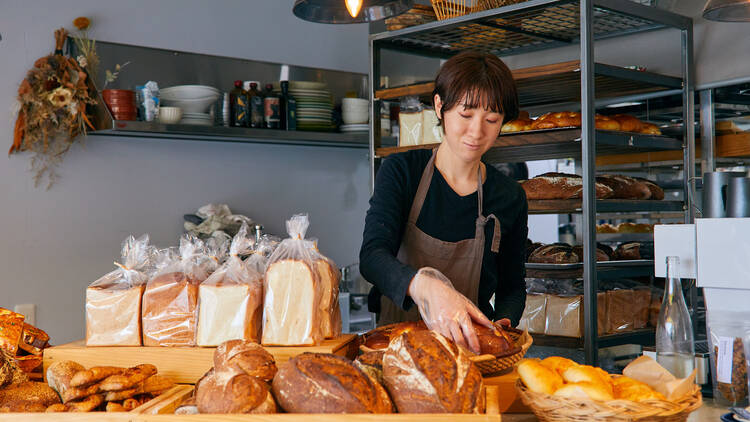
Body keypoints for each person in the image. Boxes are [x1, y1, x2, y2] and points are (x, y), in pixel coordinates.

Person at [359, 51, 528, 354]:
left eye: (492, 119)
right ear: (440, 106)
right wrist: (427, 287)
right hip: (396, 349)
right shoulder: (403, 172)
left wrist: (501, 326)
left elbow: (511, 286)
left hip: (471, 353)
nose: (477, 132)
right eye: (465, 115)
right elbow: (372, 257)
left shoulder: (509, 196)